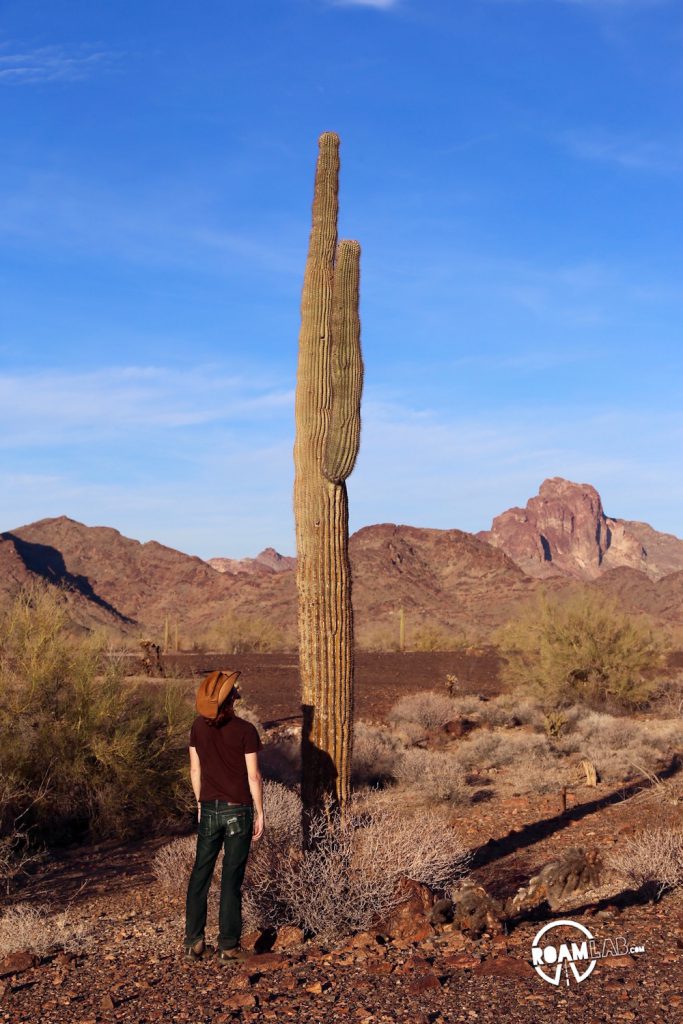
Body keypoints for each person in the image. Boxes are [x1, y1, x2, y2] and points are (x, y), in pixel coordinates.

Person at [183, 670, 264, 963]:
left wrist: (201, 803)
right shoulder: (246, 730)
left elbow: (195, 771)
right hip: (237, 810)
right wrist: (260, 811)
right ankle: (228, 947)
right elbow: (253, 776)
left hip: (209, 808)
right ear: (232, 700)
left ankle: (193, 943)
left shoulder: (196, 727)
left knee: (200, 873)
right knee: (231, 878)